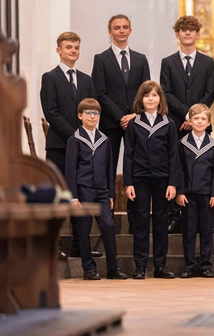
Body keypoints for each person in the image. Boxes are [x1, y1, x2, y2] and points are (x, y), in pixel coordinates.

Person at [40, 31, 99, 260]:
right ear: (59, 50)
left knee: (81, 196)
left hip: (83, 148)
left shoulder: (86, 79)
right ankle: (51, 247)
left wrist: (85, 137)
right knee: (58, 197)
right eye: (68, 47)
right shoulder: (50, 77)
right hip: (59, 147)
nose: (73, 51)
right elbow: (51, 113)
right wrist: (75, 135)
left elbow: (93, 109)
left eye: (76, 47)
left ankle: (79, 245)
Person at [92, 14, 151, 233]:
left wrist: (135, 114)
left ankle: (136, 219)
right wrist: (120, 116)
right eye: (117, 28)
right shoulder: (101, 59)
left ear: (130, 30)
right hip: (110, 122)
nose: (121, 31)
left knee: (137, 167)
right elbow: (100, 92)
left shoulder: (140, 59)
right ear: (110, 32)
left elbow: (146, 91)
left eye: (125, 27)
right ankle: (106, 217)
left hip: (138, 122)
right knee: (108, 166)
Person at [160, 15, 214, 233]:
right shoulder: (168, 62)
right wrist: (186, 116)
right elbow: (166, 92)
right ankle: (175, 216)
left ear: (198, 34)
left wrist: (196, 119)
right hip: (177, 124)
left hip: (200, 124)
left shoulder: (207, 62)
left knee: (201, 169)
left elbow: (209, 92)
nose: (188, 33)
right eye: (183, 30)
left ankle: (203, 217)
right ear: (177, 34)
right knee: (176, 168)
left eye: (192, 30)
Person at [65, 98, 129, 280]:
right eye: (88, 113)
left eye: (96, 113)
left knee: (108, 226)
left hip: (102, 191)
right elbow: (70, 170)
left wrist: (110, 193)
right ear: (80, 116)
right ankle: (89, 269)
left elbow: (110, 169)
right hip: (83, 191)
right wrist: (73, 196)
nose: (92, 116)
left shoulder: (105, 140)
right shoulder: (74, 140)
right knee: (84, 229)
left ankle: (113, 268)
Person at [123, 80, 180, 279]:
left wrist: (173, 183)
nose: (150, 99)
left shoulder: (169, 123)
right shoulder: (134, 124)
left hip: (162, 178)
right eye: (147, 95)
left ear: (160, 99)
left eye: (154, 95)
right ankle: (140, 266)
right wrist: (128, 182)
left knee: (161, 221)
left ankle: (160, 266)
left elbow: (174, 154)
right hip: (139, 178)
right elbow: (128, 154)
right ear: (141, 99)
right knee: (140, 222)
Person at [177, 103, 214, 279]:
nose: (199, 121)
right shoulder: (182, 144)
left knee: (206, 231)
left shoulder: (213, 145)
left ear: (209, 122)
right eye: (196, 118)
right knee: (188, 231)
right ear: (190, 120)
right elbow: (179, 169)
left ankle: (205, 265)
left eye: (203, 119)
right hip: (188, 195)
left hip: (206, 195)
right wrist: (180, 192)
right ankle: (189, 265)